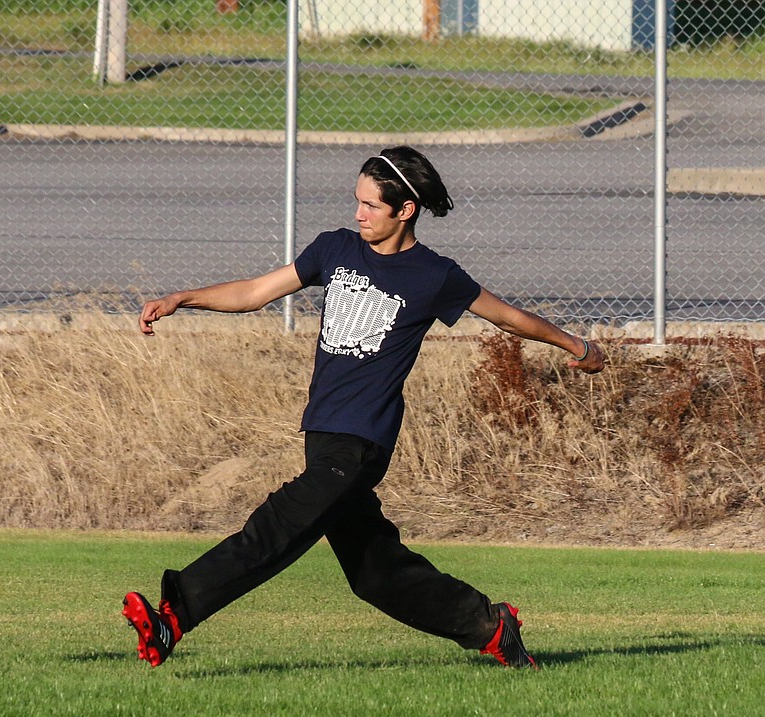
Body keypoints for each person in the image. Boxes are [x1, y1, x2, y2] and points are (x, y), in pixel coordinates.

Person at [122, 146, 606, 670]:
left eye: (371, 205)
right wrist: (183, 299)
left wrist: (576, 346)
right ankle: (490, 627)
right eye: (357, 201)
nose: (358, 214)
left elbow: (509, 318)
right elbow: (257, 291)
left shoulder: (434, 275)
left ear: (406, 210)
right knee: (375, 573)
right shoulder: (334, 249)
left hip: (362, 442)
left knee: (279, 523)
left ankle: (175, 615)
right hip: (323, 435)